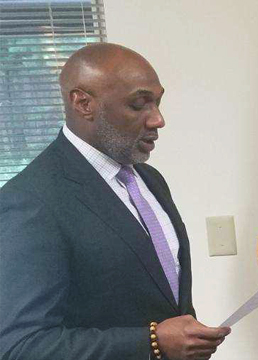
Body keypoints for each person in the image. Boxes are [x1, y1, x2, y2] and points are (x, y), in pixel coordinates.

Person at [0, 43, 230, 360]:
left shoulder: (150, 180)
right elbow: (22, 346)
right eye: (139, 105)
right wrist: (152, 343)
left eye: (158, 103)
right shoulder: (30, 201)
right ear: (83, 103)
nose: (158, 120)